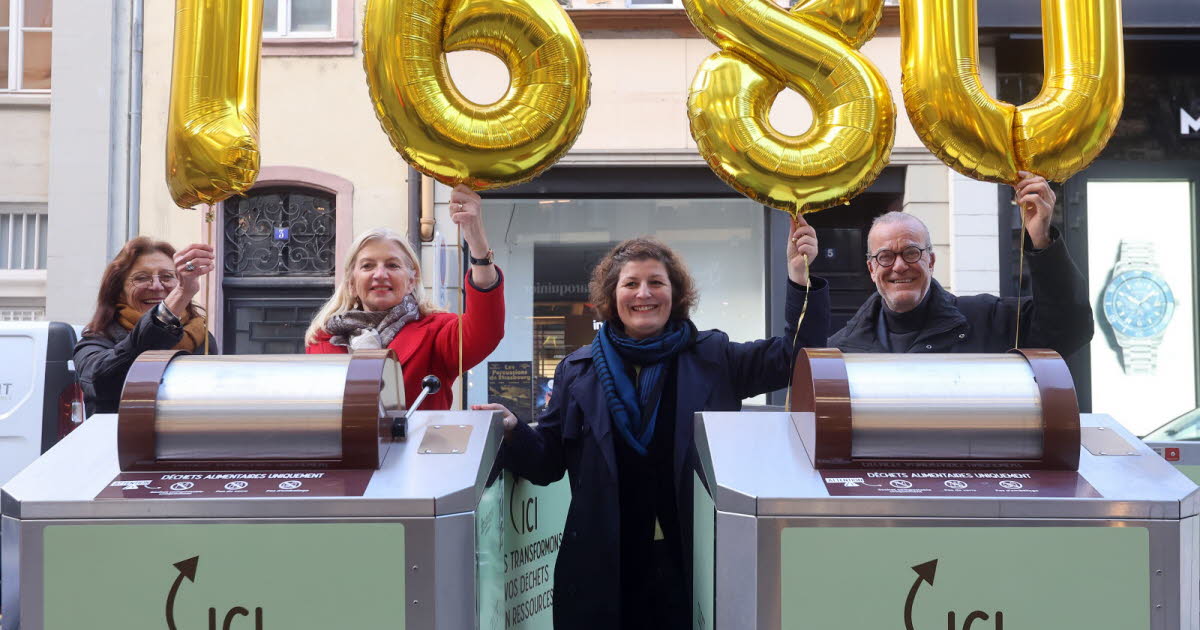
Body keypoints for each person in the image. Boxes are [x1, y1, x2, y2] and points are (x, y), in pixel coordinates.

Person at [476, 218, 830, 630]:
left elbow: (797, 358)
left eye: (656, 282)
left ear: (675, 293)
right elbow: (548, 462)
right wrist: (514, 428)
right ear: (612, 296)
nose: (643, 293)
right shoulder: (578, 369)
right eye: (630, 284)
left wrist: (799, 280)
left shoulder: (713, 356)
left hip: (691, 565)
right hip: (600, 571)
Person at [829, 172, 1093, 356]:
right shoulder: (842, 349)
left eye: (911, 253)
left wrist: (1041, 238)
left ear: (930, 261)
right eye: (885, 256)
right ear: (872, 269)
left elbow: (1068, 328)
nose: (899, 266)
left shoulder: (987, 320)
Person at [305, 185, 503, 410]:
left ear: (411, 280)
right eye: (368, 266)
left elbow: (485, 332)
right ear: (351, 283)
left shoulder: (436, 333)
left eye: (392, 265)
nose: (380, 274)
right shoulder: (322, 342)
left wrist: (477, 244)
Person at [74, 237, 216, 415]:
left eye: (167, 276)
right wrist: (178, 296)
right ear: (118, 289)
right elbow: (102, 383)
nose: (157, 286)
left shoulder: (202, 338)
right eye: (142, 278)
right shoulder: (97, 341)